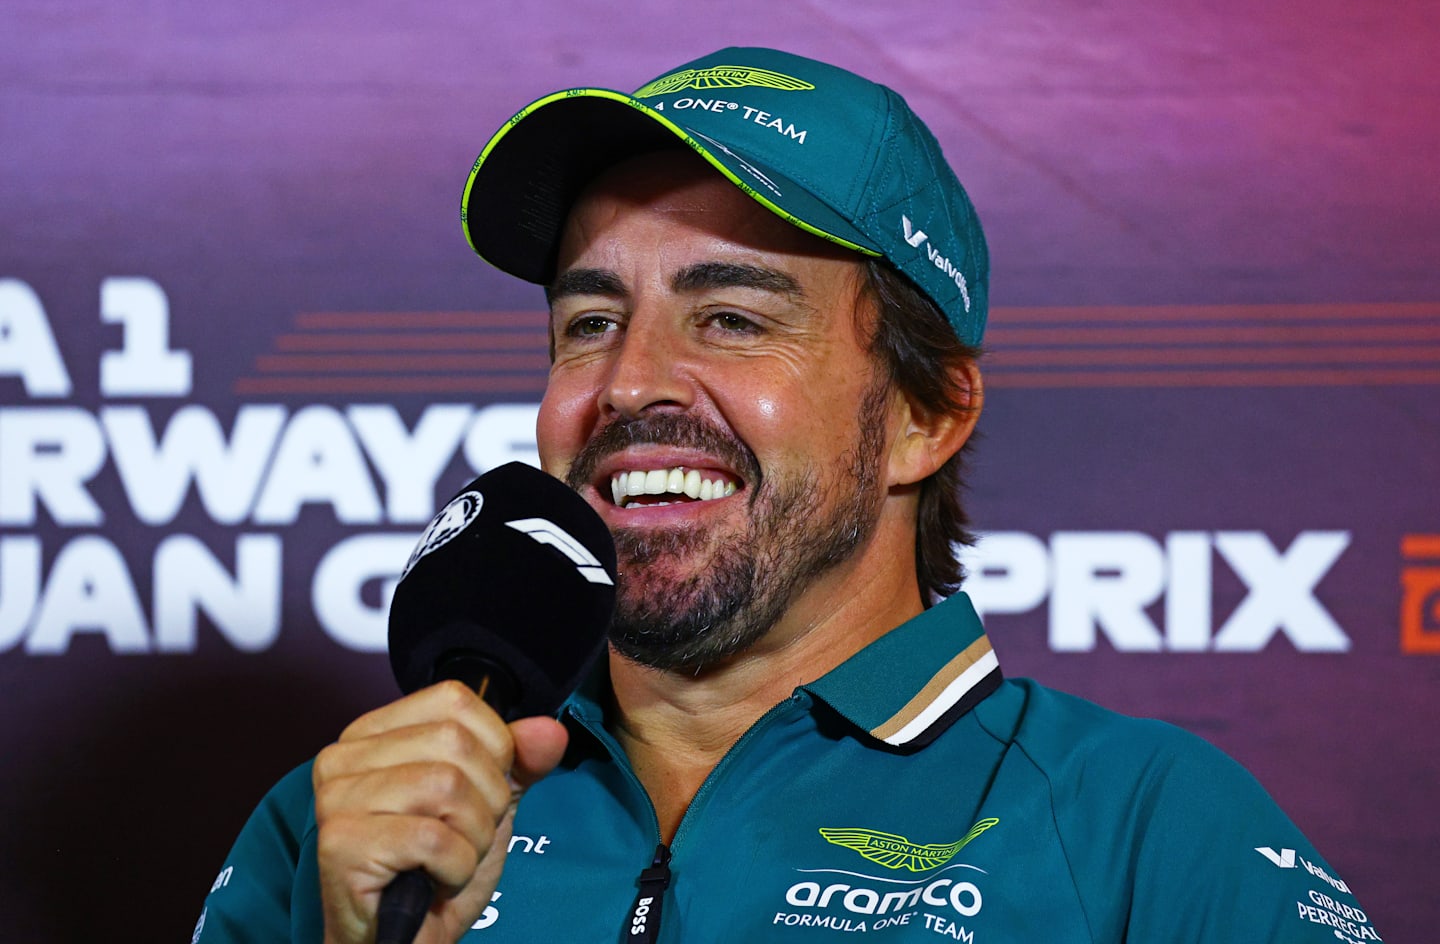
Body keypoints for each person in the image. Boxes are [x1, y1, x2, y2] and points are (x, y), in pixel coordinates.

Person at [194, 47, 1382, 944]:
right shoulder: (354, 815)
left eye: (731, 317)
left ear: (925, 414)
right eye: (590, 321)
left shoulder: (1149, 829)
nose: (629, 383)